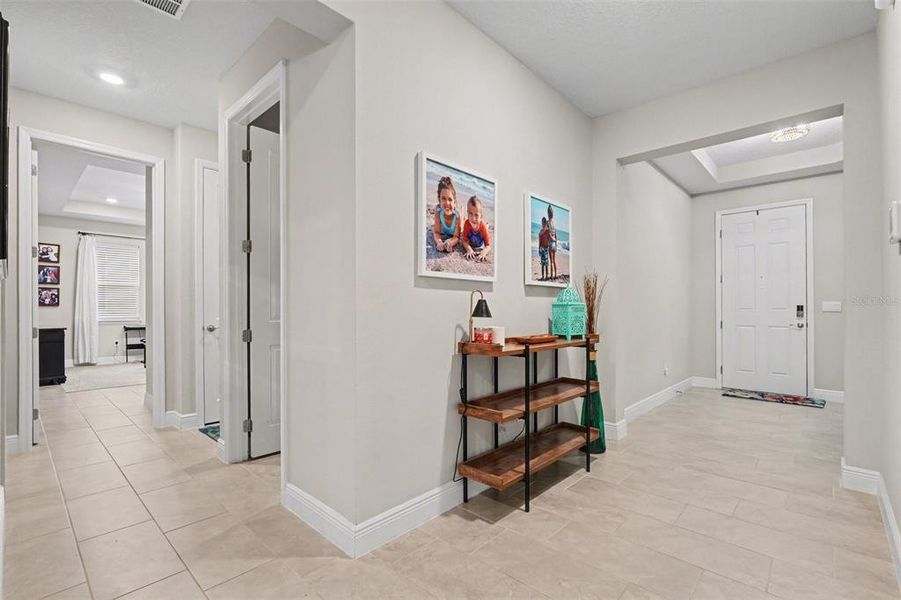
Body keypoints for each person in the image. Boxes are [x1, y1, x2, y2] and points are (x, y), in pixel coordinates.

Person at [432, 176, 460, 253]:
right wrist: (439, 242)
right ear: (439, 199)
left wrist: (450, 243)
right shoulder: (438, 211)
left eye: (450, 199)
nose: (447, 203)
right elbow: (437, 232)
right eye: (443, 198)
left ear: (454, 202)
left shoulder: (457, 216)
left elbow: (456, 237)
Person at [462, 196, 491, 262]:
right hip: (471, 242)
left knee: (485, 228)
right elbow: (464, 240)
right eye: (470, 214)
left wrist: (484, 252)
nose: (473, 218)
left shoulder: (482, 227)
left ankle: (487, 225)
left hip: (480, 241)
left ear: (481, 216)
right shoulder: (467, 223)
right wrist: (469, 249)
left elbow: (488, 245)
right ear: (467, 212)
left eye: (476, 215)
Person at [547, 204, 558, 280]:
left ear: (548, 213)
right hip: (554, 243)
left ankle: (551, 276)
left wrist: (552, 239)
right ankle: (555, 275)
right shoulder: (554, 223)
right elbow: (555, 234)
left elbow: (549, 234)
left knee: (551, 260)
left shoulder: (548, 223)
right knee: (554, 260)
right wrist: (556, 242)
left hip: (551, 243)